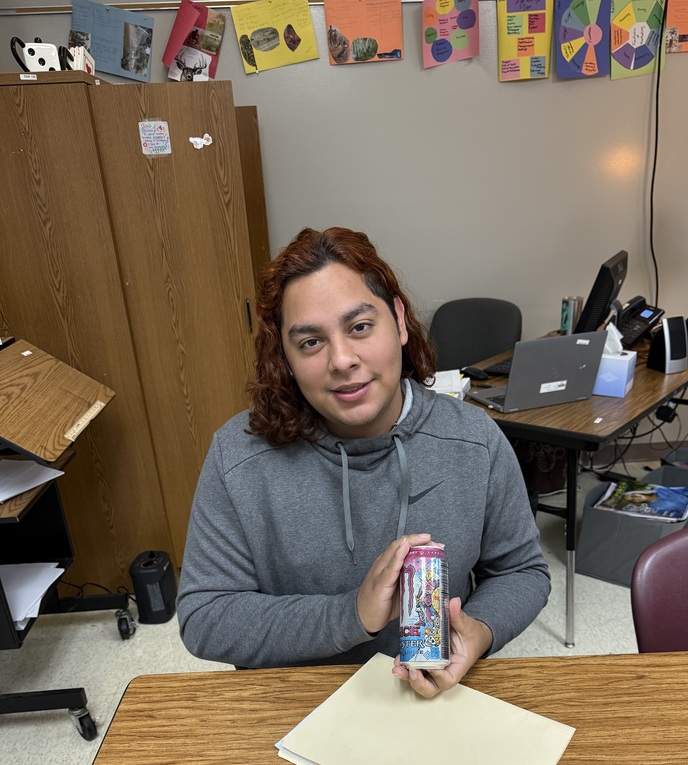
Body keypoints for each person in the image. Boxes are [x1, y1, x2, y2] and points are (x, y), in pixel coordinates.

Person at [177, 227, 550, 697]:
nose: (342, 359)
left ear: (398, 320)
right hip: (292, 706)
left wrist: (479, 630)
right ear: (285, 358)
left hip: (433, 698)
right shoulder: (238, 456)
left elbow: (521, 571)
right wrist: (350, 614)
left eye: (359, 327)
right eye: (310, 342)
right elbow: (205, 618)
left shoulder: (474, 440)